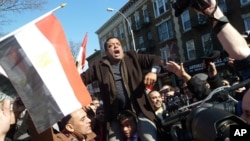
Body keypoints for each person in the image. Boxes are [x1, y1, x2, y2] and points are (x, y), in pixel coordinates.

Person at [81, 37, 165, 141]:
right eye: (111, 46)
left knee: (149, 138)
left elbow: (157, 59)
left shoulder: (132, 57)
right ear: (106, 52)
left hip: (139, 110)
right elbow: (81, 79)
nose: (115, 46)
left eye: (118, 44)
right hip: (115, 114)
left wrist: (153, 72)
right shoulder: (99, 66)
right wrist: (82, 99)